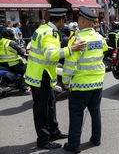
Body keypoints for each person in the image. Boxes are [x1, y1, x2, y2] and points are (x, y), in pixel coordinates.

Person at [24, 8, 86, 150]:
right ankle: (43, 139)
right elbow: (50, 55)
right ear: (62, 20)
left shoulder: (44, 28)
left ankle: (54, 132)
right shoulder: (48, 34)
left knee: (50, 105)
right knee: (41, 110)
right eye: (65, 20)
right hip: (40, 76)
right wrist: (72, 49)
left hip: (44, 74)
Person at [62, 6, 108, 153]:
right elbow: (104, 49)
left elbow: (69, 63)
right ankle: (96, 139)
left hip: (80, 85)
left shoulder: (77, 39)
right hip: (97, 83)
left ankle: (74, 145)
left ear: (81, 20)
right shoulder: (99, 37)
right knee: (95, 112)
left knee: (76, 115)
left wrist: (65, 81)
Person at [0, 27, 30, 96]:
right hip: (12, 63)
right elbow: (21, 51)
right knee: (25, 71)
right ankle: (23, 89)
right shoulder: (10, 43)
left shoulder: (1, 41)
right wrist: (27, 53)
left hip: (2, 63)